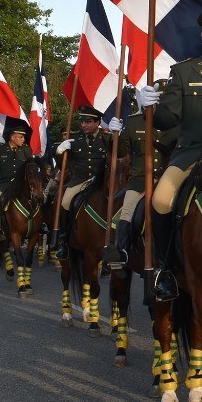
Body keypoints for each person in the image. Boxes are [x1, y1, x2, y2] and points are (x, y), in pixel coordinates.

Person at [135, 4, 202, 301]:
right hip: (191, 155)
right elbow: (167, 120)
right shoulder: (183, 72)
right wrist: (149, 106)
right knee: (160, 200)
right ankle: (166, 269)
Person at [107, 85, 175, 275]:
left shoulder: (174, 123)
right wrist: (115, 136)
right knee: (127, 210)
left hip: (167, 181)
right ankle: (122, 253)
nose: (157, 101)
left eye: (161, 98)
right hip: (139, 180)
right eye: (155, 97)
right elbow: (120, 152)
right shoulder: (134, 121)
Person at [51, 105, 112, 259]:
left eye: (88, 122)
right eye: (82, 121)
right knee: (65, 202)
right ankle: (64, 240)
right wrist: (59, 151)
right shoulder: (75, 139)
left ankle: (115, 243)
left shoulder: (107, 139)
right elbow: (62, 165)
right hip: (80, 180)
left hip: (101, 181)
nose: (84, 125)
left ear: (98, 122)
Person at [0, 119, 33, 213]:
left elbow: (31, 165)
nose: (23, 139)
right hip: (4, 183)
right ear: (12, 137)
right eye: (20, 137)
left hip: (22, 184)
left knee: (40, 198)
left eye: (23, 137)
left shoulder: (26, 149)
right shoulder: (0, 149)